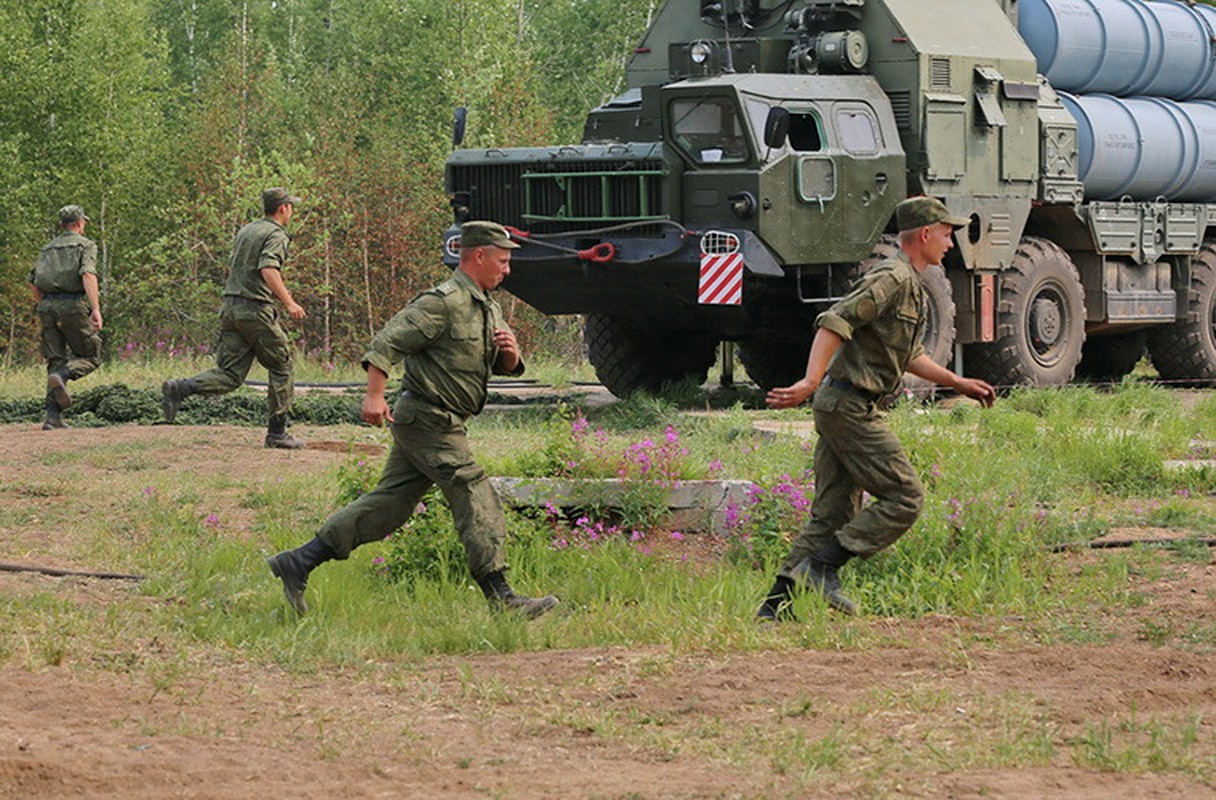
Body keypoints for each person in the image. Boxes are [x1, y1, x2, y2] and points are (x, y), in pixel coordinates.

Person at [267, 220, 558, 619]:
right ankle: (502, 597)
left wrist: (509, 352)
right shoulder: (443, 301)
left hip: (442, 421)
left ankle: (299, 561)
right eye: (503, 261)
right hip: (427, 419)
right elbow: (387, 343)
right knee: (474, 491)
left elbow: (501, 365)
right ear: (478, 256)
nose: (507, 269)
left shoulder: (487, 306)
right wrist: (373, 395)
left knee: (390, 506)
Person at [757, 196, 997, 620]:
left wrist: (958, 382)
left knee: (831, 514)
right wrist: (809, 381)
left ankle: (775, 610)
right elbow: (835, 320)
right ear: (924, 234)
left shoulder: (911, 283)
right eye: (946, 233)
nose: (950, 243)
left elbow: (905, 356)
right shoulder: (892, 278)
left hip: (843, 405)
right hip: (849, 407)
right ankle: (822, 568)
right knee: (905, 497)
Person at [161, 187, 307, 448]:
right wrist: (289, 302)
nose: (292, 211)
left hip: (230, 308)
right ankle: (277, 433)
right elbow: (268, 268)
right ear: (283, 208)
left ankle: (180, 388)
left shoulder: (247, 230)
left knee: (230, 374)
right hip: (255, 310)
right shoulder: (276, 234)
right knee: (282, 366)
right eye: (291, 207)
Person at [29, 204, 103, 430]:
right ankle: (63, 376)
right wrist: (95, 309)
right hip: (72, 306)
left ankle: (53, 417)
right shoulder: (86, 245)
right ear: (80, 223)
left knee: (55, 358)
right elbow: (88, 275)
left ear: (62, 225)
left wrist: (44, 304)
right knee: (91, 356)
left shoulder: (47, 248)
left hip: (47, 306)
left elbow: (32, 281)